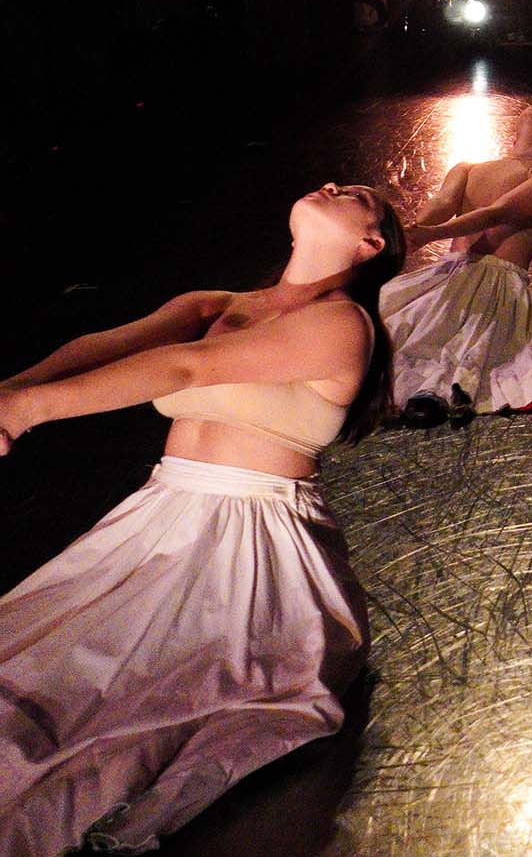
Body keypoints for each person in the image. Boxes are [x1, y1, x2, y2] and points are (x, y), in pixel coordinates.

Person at [0, 183, 403, 854]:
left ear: (370, 243)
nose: (334, 185)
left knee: (126, 709)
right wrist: (12, 390)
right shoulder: (215, 305)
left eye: (358, 196)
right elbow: (101, 347)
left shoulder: (342, 324)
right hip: (161, 519)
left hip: (254, 550)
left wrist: (29, 411)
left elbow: (189, 368)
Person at [381, 103, 532, 422]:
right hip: (450, 273)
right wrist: (414, 229)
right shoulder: (468, 167)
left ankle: (432, 394)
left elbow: (498, 212)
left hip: (496, 282)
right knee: (397, 323)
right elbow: (442, 203)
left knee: (461, 346)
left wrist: (432, 233)